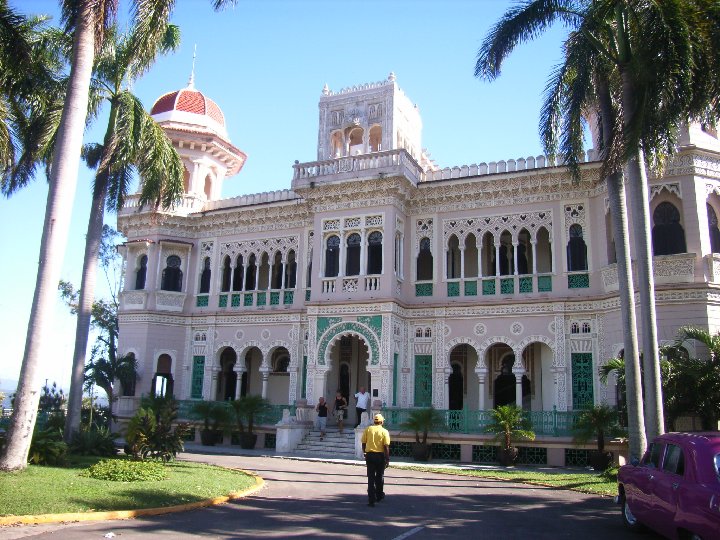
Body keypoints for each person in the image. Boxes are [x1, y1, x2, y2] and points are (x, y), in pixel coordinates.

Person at [361, 413, 390, 507]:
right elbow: (386, 447)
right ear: (381, 422)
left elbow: (363, 443)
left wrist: (365, 453)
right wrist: (387, 458)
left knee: (371, 478)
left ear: (374, 421)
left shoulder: (368, 429)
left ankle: (371, 500)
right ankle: (379, 495)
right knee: (379, 477)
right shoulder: (384, 431)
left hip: (369, 455)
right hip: (380, 456)